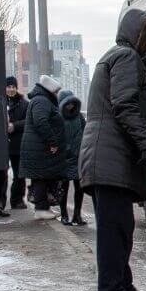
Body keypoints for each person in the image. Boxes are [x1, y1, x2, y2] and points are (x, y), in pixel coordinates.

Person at [80, 8, 146, 291]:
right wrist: (145, 141)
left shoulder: (119, 57)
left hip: (107, 158)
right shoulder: (126, 58)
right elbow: (125, 103)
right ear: (140, 36)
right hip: (110, 158)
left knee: (121, 227)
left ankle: (122, 286)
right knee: (114, 229)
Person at [19, 74, 66, 221]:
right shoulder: (42, 101)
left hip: (39, 148)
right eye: (56, 91)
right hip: (40, 148)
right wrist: (52, 141)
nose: (57, 94)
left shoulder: (41, 100)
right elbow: (41, 122)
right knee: (41, 178)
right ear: (50, 90)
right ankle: (40, 208)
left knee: (42, 178)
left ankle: (44, 207)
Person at [56, 88, 86, 227]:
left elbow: (86, 132)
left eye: (72, 103)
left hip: (78, 157)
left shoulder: (79, 117)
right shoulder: (57, 117)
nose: (70, 106)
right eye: (67, 104)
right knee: (63, 187)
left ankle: (77, 215)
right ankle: (64, 215)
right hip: (63, 158)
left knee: (79, 188)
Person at [4, 76, 29, 210]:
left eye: (13, 86)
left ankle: (17, 199)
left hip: (18, 144)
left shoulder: (24, 104)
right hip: (2, 145)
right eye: (8, 87)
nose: (11, 89)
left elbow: (28, 121)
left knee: (20, 174)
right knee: (1, 175)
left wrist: (14, 126)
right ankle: (0, 201)